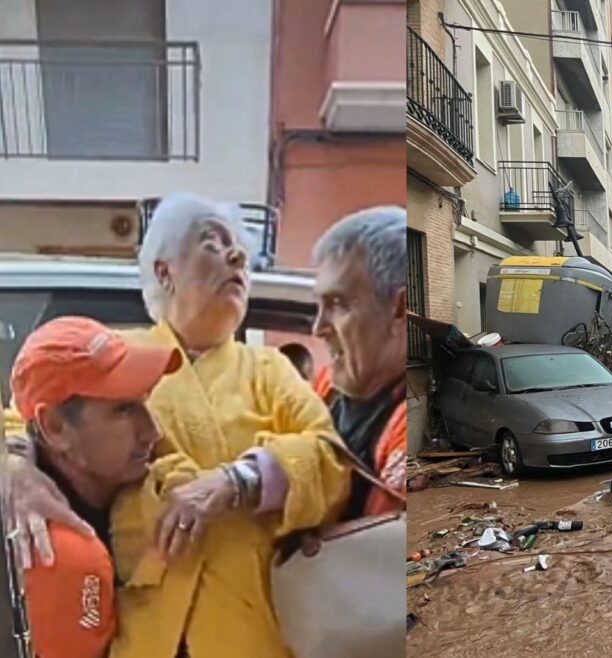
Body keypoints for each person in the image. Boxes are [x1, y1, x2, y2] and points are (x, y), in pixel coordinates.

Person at [4, 193, 352, 658]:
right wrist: (15, 467)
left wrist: (240, 480)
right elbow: (27, 410)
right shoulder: (121, 357)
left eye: (241, 255)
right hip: (145, 637)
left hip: (248, 635)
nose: (236, 257)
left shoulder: (270, 370)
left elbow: (331, 459)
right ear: (165, 272)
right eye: (213, 243)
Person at [8, 317, 181, 658]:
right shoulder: (55, 555)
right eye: (125, 409)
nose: (153, 431)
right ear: (56, 428)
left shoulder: (129, 483)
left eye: (145, 401)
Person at [310, 206, 407, 518]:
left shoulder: (405, 424)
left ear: (398, 310)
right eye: (319, 305)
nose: (319, 328)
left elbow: (375, 549)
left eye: (337, 304)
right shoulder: (325, 386)